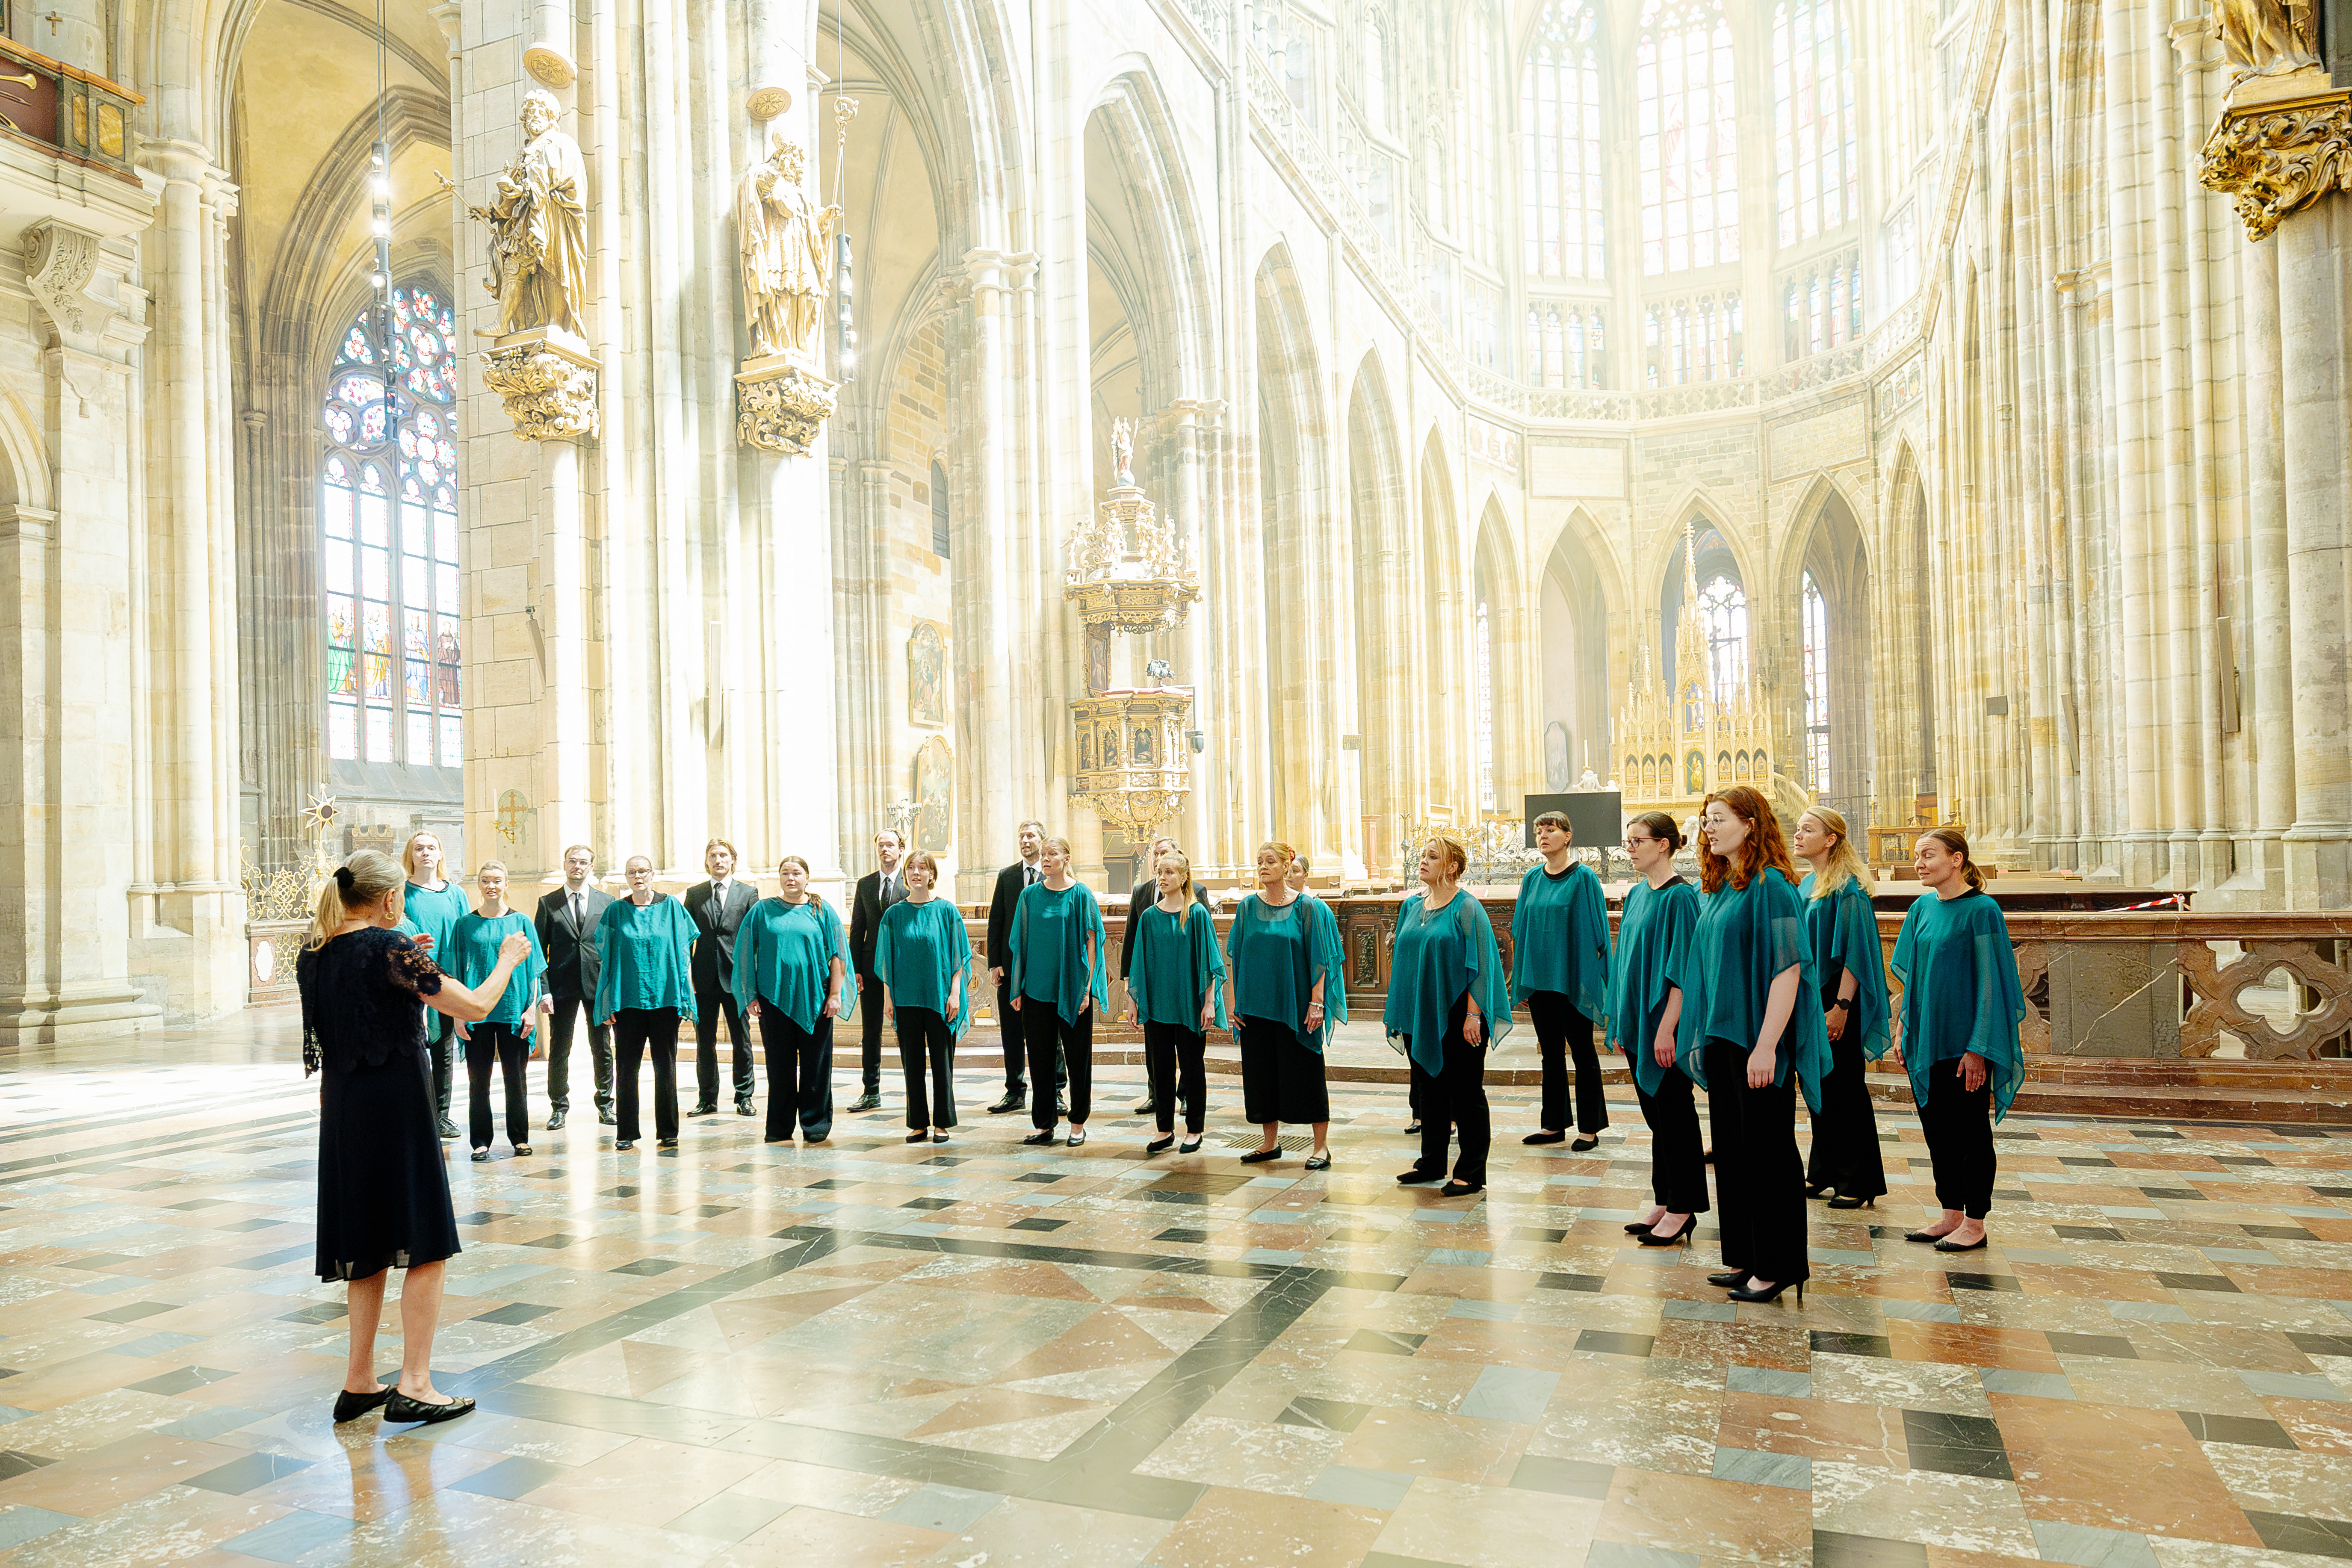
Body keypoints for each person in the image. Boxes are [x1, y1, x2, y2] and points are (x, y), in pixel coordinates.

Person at [299, 850, 529, 1427]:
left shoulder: (316, 951)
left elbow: (363, 992)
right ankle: (416, 1384)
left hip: (346, 1113)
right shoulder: (389, 947)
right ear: (388, 899)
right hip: (398, 1109)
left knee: (367, 1244)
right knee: (425, 1242)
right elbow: (474, 1003)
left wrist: (403, 953)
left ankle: (359, 1382)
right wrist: (508, 958)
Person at [1673, 785, 1831, 1305]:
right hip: (1721, 1037)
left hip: (1756, 1043)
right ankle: (1746, 1257)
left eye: (1717, 818)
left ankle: (1779, 1264)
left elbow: (1788, 970)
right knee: (1736, 1156)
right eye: (1704, 821)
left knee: (1768, 1155)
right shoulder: (1721, 887)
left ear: (1750, 822)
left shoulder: (1773, 887)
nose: (1708, 829)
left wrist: (1767, 1045)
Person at [1891, 827, 2025, 1253]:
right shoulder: (1921, 908)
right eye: (1917, 856)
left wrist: (1978, 1049)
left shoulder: (1981, 911)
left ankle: (1975, 1220)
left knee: (1970, 1132)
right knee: (1937, 1131)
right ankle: (1949, 1212)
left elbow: (1991, 984)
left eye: (1929, 854)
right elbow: (1913, 979)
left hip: (1965, 1044)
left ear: (1957, 859)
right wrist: (1903, 1027)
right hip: (1925, 1038)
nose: (1920, 863)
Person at [1389, 836, 1513, 1196]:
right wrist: (1399, 1010)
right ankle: (1431, 1162)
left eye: (1433, 857)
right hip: (1421, 1010)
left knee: (1465, 1092)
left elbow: (1484, 965)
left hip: (1462, 1010)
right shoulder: (1412, 906)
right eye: (1422, 856)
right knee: (1429, 1089)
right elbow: (1404, 962)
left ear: (1453, 866)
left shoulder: (1467, 907)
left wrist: (1474, 1015)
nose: (1423, 862)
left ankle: (1471, 1172)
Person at [1607, 812, 1707, 1246]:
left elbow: (1684, 968)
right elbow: (1625, 958)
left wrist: (1667, 1027)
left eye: (1637, 840)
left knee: (1674, 1113)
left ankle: (1683, 1206)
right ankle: (1664, 1198)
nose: (1629, 848)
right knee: (1656, 1116)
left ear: (1664, 844)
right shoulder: (1636, 894)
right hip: (1637, 1023)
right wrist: (1619, 1019)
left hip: (1665, 1024)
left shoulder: (1680, 897)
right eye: (1627, 841)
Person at [1792, 807, 1892, 1210]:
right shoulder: (1807, 884)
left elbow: (1856, 953)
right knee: (1816, 1081)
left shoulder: (1847, 887)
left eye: (1808, 829)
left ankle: (1858, 1178)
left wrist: (1842, 1006)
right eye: (1798, 828)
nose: (1798, 835)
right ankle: (1824, 1170)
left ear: (1831, 838)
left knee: (1845, 1087)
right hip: (1810, 996)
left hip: (1836, 997)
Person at [1227, 841, 1346, 1169]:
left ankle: (1320, 1146)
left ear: (1285, 866)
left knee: (1306, 1073)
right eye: (1259, 861)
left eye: (1270, 862)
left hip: (1295, 1006)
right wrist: (1236, 1002)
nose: (1263, 867)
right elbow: (1237, 956)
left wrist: (1317, 1002)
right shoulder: (1247, 907)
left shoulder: (1306, 908)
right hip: (1256, 1007)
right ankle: (1269, 1143)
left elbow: (1320, 958)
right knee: (1261, 1075)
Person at [733, 856, 855, 1145]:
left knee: (817, 1065)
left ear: (807, 877)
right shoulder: (762, 911)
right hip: (773, 1001)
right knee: (780, 1067)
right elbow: (744, 953)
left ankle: (815, 1124)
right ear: (780, 878)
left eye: (797, 873)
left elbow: (839, 955)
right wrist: (749, 995)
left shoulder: (822, 910)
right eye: (786, 873)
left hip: (817, 1000)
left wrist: (836, 995)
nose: (791, 878)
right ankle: (779, 1127)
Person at [1511, 810, 1612, 1149]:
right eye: (1539, 830)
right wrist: (1523, 979)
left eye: (1551, 829)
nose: (1543, 835)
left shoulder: (1584, 878)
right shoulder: (1531, 879)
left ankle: (1589, 1128)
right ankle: (1553, 1124)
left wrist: (1594, 976)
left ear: (1568, 836)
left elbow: (1598, 930)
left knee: (1583, 1051)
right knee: (1550, 1053)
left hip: (1573, 979)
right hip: (1540, 981)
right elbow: (1521, 929)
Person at [1123, 849, 1227, 1154]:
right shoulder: (1150, 917)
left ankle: (1194, 1129)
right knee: (1162, 1068)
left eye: (1170, 872)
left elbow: (1210, 964)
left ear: (1184, 878)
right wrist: (1134, 1003)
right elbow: (1140, 965)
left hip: (1189, 1004)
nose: (1163, 877)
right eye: (1160, 871)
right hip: (1158, 1005)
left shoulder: (1196, 915)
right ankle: (1164, 1129)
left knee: (1193, 1067)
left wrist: (1209, 1003)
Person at [1008, 837, 1109, 1147]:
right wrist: (1018, 986)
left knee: (1078, 1059)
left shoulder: (1081, 895)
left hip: (1073, 987)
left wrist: (1087, 986)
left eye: (1053, 853)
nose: (1046, 858)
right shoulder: (1029, 897)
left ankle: (1077, 1123)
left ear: (1067, 858)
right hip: (1037, 989)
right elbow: (1020, 945)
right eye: (1044, 854)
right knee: (1039, 1058)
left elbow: (1093, 942)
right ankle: (1044, 1124)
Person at [593, 856, 699, 1151]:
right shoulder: (616, 911)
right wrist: (608, 1000)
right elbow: (608, 959)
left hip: (665, 999)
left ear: (652, 874)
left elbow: (683, 953)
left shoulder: (672, 907)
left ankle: (668, 1131)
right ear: (626, 877)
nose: (637, 876)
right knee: (627, 1069)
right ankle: (626, 1132)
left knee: (666, 1066)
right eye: (632, 872)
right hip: (628, 1001)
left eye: (642, 871)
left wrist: (685, 992)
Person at [446, 862, 546, 1162]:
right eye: (486, 880)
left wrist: (531, 1010)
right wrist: (457, 1014)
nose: (492, 885)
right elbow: (453, 975)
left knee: (516, 1078)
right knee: (479, 1080)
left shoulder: (522, 922)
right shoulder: (465, 925)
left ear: (507, 884)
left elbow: (534, 972)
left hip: (514, 1009)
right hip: (477, 1011)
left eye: (497, 880)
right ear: (479, 885)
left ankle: (520, 1138)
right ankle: (480, 1141)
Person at [875, 849, 969, 1144]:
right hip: (905, 998)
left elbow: (958, 957)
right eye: (912, 868)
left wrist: (955, 993)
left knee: (942, 1063)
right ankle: (918, 1122)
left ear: (932, 875)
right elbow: (887, 960)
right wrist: (889, 998)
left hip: (939, 997)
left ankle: (942, 1122)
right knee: (911, 1063)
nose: (917, 873)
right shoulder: (894, 914)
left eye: (923, 868)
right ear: (906, 875)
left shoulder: (946, 911)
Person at [985, 821, 1064, 1116]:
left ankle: (1056, 1091)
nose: (1025, 840)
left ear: (1043, 841)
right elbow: (997, 921)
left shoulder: (1053, 875)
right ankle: (1014, 1090)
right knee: (1011, 1032)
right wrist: (995, 962)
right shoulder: (1007, 876)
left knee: (1049, 1033)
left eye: (1031, 835)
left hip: (1044, 969)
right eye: (1022, 836)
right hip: (1011, 967)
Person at [534, 845, 613, 1128]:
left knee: (602, 1047)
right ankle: (559, 1107)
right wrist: (544, 991)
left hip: (598, 986)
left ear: (591, 866)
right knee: (560, 1048)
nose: (577, 866)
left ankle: (606, 1104)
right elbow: (537, 952)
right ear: (565, 864)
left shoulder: (607, 901)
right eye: (572, 861)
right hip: (561, 986)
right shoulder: (548, 903)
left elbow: (613, 948)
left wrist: (612, 990)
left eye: (583, 862)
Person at [399, 831, 471, 1140]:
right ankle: (416, 1113)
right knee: (414, 1049)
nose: (426, 852)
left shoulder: (455, 893)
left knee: (444, 1051)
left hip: (447, 979)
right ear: (410, 855)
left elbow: (466, 934)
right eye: (419, 848)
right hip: (412, 981)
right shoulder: (402, 892)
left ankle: (441, 1115)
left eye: (432, 847)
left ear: (441, 854)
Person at [683, 839, 758, 1118]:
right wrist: (686, 978)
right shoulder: (695, 894)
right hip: (703, 980)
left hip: (737, 979)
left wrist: (753, 983)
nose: (718, 860)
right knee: (705, 1042)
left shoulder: (749, 893)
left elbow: (755, 941)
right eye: (713, 855)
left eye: (723, 855)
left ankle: (745, 1096)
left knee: (742, 1040)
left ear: (732, 861)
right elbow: (684, 939)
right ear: (707, 861)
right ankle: (708, 1099)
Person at [848, 829, 912, 1113]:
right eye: (881, 845)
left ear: (901, 849)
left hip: (904, 968)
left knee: (908, 1030)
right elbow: (857, 930)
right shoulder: (865, 884)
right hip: (871, 969)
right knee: (871, 1031)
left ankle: (914, 1090)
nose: (885, 850)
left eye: (891, 845)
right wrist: (855, 969)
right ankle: (871, 1090)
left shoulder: (913, 882)